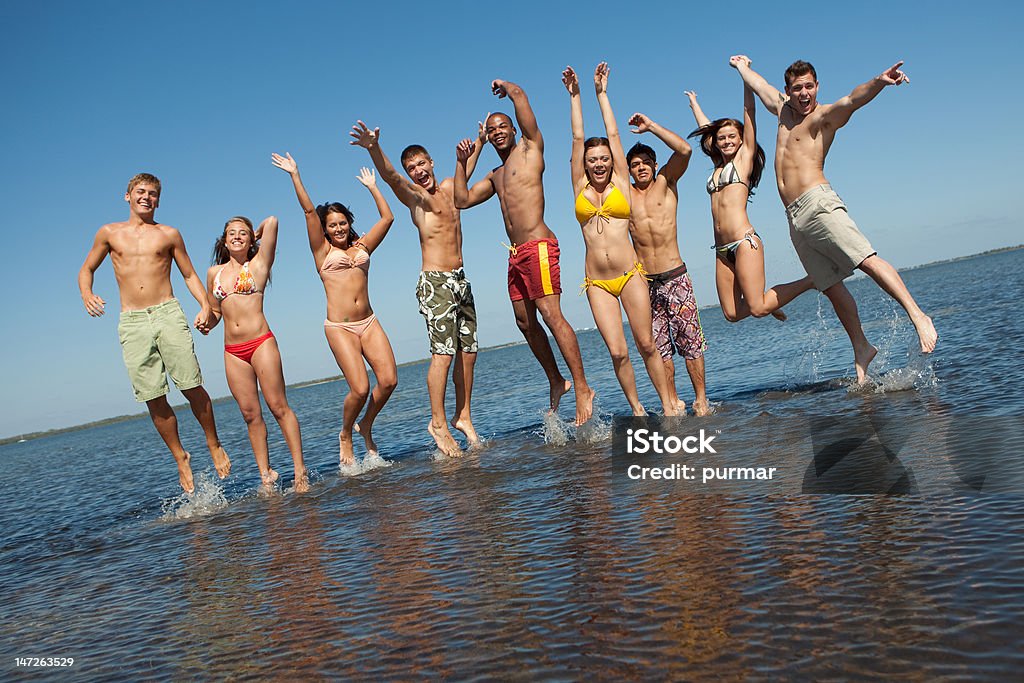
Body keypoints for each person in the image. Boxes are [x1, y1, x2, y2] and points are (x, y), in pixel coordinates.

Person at [733, 56, 937, 381]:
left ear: (817, 87)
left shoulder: (823, 118)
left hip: (819, 205)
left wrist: (880, 82)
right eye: (797, 88)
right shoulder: (782, 111)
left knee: (866, 260)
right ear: (788, 90)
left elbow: (852, 100)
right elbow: (760, 87)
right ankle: (861, 346)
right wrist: (742, 67)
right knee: (830, 285)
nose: (804, 94)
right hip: (794, 218)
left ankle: (918, 315)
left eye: (809, 87)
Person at [453, 77, 595, 426]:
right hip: (515, 254)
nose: (498, 131)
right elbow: (461, 199)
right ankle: (555, 380)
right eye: (492, 129)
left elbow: (521, 97)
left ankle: (582, 387)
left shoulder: (531, 149)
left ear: (515, 129)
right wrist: (465, 159)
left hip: (539, 246)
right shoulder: (496, 174)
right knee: (524, 321)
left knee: (550, 313)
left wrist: (508, 87)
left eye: (503, 126)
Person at [79, 173, 231, 494]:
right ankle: (180, 457)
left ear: (158, 200)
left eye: (152, 193)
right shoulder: (109, 233)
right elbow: (86, 269)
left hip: (167, 312)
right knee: (153, 396)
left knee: (191, 385)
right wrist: (87, 293)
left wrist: (206, 305)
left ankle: (213, 442)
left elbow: (189, 273)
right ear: (128, 196)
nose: (146, 197)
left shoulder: (169, 234)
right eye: (140, 192)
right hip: (132, 321)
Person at [350, 120, 487, 456]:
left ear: (431, 163)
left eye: (420, 164)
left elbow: (466, 167)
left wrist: (480, 142)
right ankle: (437, 422)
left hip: (460, 280)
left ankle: (463, 415)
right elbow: (391, 177)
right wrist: (373, 148)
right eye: (412, 168)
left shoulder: (452, 188)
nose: (417, 171)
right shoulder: (416, 199)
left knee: (468, 352)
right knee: (442, 355)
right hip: (435, 283)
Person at [561, 64, 678, 417]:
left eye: (604, 159)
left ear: (612, 162)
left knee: (645, 343)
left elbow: (613, 133)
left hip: (629, 275)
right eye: (592, 160)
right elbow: (577, 138)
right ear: (585, 164)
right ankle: (638, 410)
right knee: (617, 351)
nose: (598, 163)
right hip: (597, 281)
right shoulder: (579, 185)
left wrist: (601, 94)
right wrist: (575, 96)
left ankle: (668, 405)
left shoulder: (622, 183)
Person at [272, 154, 398, 466]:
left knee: (389, 380)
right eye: (332, 225)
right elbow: (306, 211)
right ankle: (345, 433)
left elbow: (388, 218)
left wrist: (373, 187)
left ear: (349, 224)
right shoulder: (322, 251)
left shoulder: (362, 247)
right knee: (359, 387)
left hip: (368, 322)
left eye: (342, 223)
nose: (338, 228)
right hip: (340, 326)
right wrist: (295, 175)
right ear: (325, 230)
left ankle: (365, 424)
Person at [684, 82, 814, 324]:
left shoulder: (744, 160)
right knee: (732, 314)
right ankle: (768, 300)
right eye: (721, 138)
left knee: (757, 308)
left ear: (742, 139)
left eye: (732, 136)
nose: (726, 141)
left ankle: (811, 281)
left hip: (744, 242)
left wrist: (745, 81)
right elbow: (706, 130)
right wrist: (694, 104)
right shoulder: (717, 165)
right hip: (722, 250)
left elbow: (749, 112)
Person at [205, 215, 308, 492]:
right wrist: (207, 322)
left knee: (278, 407)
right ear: (224, 241)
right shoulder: (214, 273)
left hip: (261, 342)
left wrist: (256, 234)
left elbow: (273, 221)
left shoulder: (259, 264)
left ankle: (300, 470)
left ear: (251, 240)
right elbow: (215, 311)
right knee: (250, 414)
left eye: (243, 233)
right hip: (233, 351)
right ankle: (266, 475)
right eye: (231, 234)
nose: (237, 237)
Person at [625, 109, 711, 416]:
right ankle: (672, 401)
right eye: (635, 165)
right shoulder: (626, 196)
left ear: (655, 164)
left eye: (646, 162)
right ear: (629, 171)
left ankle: (701, 398)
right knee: (660, 348)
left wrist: (650, 126)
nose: (641, 168)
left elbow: (685, 149)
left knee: (690, 342)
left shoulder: (666, 182)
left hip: (676, 276)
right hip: (646, 283)